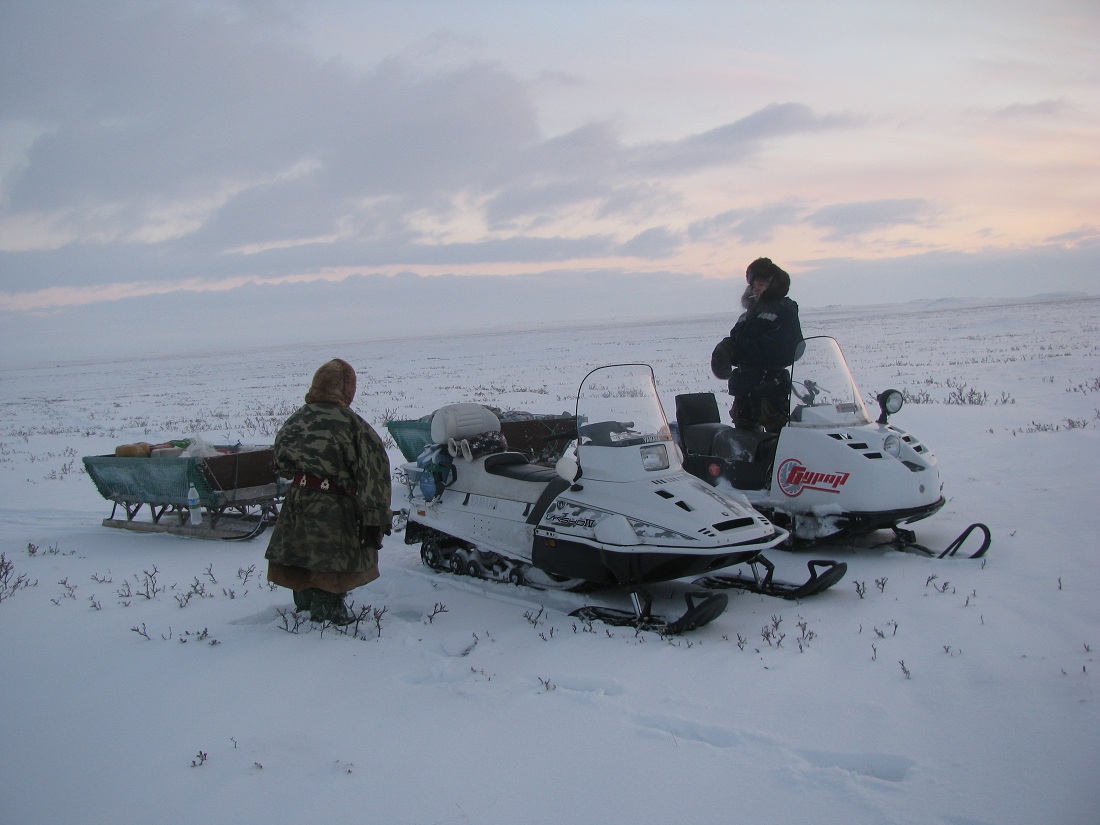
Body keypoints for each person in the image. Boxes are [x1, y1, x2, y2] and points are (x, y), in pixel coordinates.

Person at [265, 358, 391, 624]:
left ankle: (304, 603)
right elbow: (374, 472)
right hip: (334, 505)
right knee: (330, 560)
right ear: (346, 389)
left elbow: (281, 463)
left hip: (298, 500)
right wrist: (376, 515)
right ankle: (327, 615)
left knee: (300, 553)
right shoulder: (353, 425)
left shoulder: (295, 419)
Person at [711, 257, 803, 432]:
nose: (756, 288)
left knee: (777, 439)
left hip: (771, 389)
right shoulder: (748, 315)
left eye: (761, 283)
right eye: (754, 285)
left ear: (772, 283)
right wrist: (724, 349)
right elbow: (736, 339)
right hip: (745, 388)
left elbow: (781, 348)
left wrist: (738, 351)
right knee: (744, 442)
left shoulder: (784, 310)